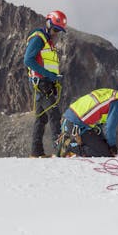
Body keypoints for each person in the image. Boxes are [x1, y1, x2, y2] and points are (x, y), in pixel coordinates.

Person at [24, 10, 67, 158]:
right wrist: (48, 75)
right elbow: (28, 60)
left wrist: (53, 79)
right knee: (54, 114)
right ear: (48, 24)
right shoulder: (39, 38)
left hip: (45, 83)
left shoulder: (48, 42)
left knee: (41, 118)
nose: (57, 33)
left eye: (59, 31)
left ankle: (36, 152)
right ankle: (61, 150)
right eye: (55, 29)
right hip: (40, 83)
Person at [57, 87, 118, 157]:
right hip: (77, 125)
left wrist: (105, 142)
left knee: (103, 146)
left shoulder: (111, 93)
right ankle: (71, 146)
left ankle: (72, 143)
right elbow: (110, 127)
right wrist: (112, 146)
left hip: (70, 119)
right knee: (105, 154)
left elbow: (98, 121)